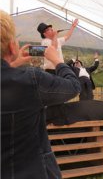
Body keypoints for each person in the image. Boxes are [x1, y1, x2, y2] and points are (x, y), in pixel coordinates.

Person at [1, 10, 81, 179]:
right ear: (11, 46)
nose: (52, 30)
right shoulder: (44, 44)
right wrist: (57, 59)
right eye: (49, 29)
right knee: (50, 96)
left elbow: (66, 38)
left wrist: (14, 63)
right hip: (51, 70)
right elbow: (74, 87)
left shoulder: (56, 40)